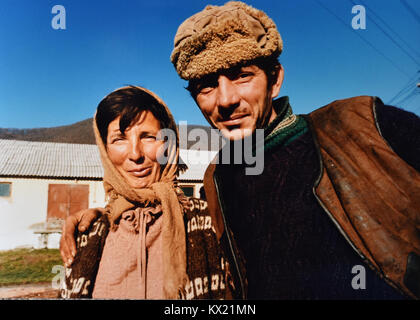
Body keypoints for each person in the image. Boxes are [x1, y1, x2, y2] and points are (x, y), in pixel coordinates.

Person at [61, 1, 420, 300]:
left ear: (275, 78)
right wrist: (102, 216)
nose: (226, 100)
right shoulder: (218, 180)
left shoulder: (363, 123)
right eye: (206, 86)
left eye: (242, 75)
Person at [60, 85, 233, 299]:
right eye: (119, 139)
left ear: (169, 145)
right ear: (105, 149)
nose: (135, 154)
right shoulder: (89, 233)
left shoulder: (212, 222)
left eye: (148, 137)